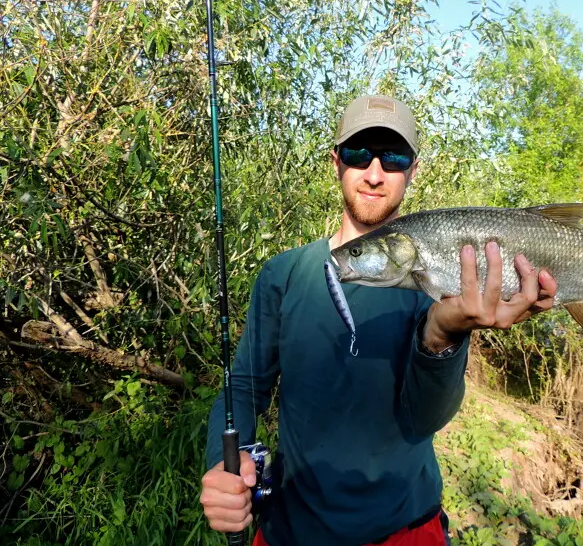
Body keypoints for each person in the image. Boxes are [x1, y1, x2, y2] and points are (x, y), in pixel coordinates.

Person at [200, 94, 557, 545]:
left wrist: (444, 332)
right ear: (336, 162)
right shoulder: (282, 274)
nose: (373, 173)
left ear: (412, 170)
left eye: (392, 157)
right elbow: (244, 387)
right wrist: (222, 466)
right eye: (357, 154)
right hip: (290, 529)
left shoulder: (438, 286)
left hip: (405, 527)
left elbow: (425, 419)